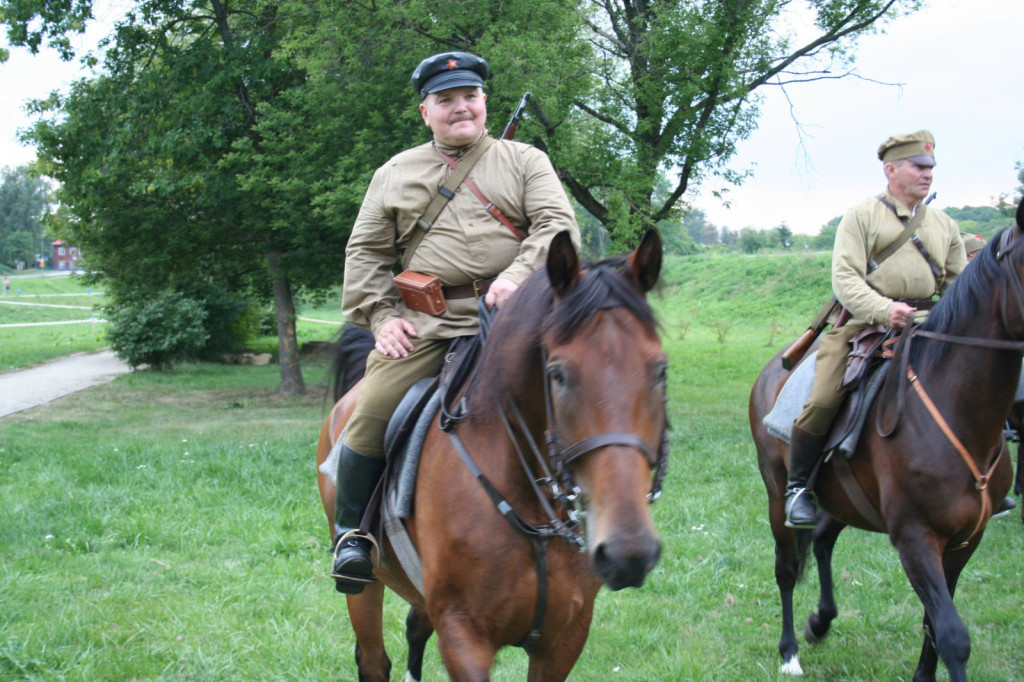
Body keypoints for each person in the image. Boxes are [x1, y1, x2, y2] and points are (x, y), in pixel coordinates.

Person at [331, 51, 581, 592]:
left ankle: (603, 513)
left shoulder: (525, 160)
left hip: (521, 315)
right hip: (429, 324)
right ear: (426, 112)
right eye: (446, 100)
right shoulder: (393, 173)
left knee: (590, 387)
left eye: (470, 96)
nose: (460, 108)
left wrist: (517, 276)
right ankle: (353, 536)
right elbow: (366, 255)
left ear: (484, 102)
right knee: (370, 410)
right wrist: (381, 319)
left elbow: (557, 226)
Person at [784, 130, 968, 528]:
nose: (927, 174)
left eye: (930, 168)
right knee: (822, 399)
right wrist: (886, 310)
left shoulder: (944, 224)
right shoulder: (861, 216)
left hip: (932, 327)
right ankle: (798, 486)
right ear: (891, 169)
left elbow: (959, 286)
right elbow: (846, 281)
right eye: (918, 167)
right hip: (867, 328)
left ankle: (981, 477)